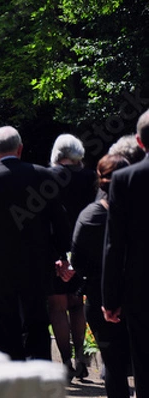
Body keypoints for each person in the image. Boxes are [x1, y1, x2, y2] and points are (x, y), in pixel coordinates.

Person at [0, 126, 70, 360]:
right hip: (36, 268)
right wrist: (62, 255)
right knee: (37, 328)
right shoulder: (43, 176)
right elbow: (59, 221)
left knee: (0, 331)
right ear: (20, 149)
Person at [71, 154, 132, 397]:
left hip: (98, 298)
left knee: (113, 366)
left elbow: (77, 262)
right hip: (138, 294)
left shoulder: (89, 216)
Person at [103, 109, 149, 398]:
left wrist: (110, 298)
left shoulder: (125, 180)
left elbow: (114, 244)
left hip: (141, 288)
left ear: (140, 142)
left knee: (144, 364)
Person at [47, 134, 97, 379]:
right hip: (84, 249)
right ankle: (81, 357)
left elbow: (45, 219)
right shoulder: (90, 178)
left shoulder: (48, 177)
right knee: (77, 305)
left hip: (55, 250)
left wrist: (58, 256)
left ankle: (65, 362)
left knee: (57, 307)